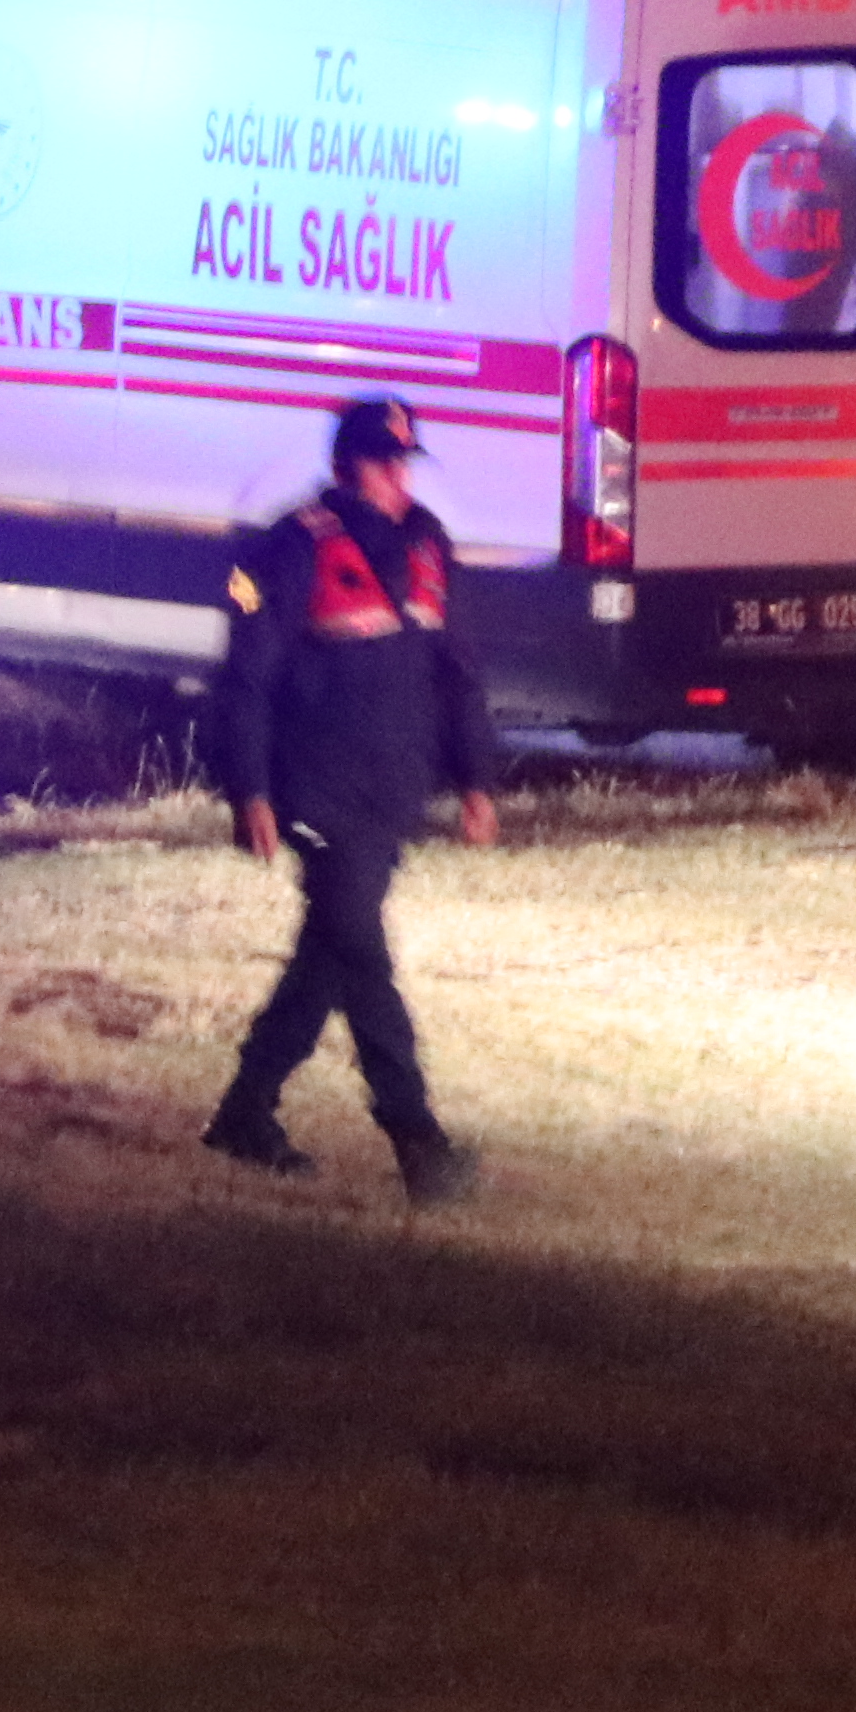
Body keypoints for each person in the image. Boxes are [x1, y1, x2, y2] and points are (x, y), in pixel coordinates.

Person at [201, 393, 503, 1207]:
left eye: (405, 461)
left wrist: (476, 780)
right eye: (382, 461)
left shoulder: (429, 544)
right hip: (318, 791)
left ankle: (243, 1112)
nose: (397, 476)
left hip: (391, 792)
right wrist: (252, 790)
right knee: (364, 959)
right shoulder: (291, 548)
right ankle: (419, 1144)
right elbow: (249, 680)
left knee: (327, 957)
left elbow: (459, 672)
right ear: (345, 468)